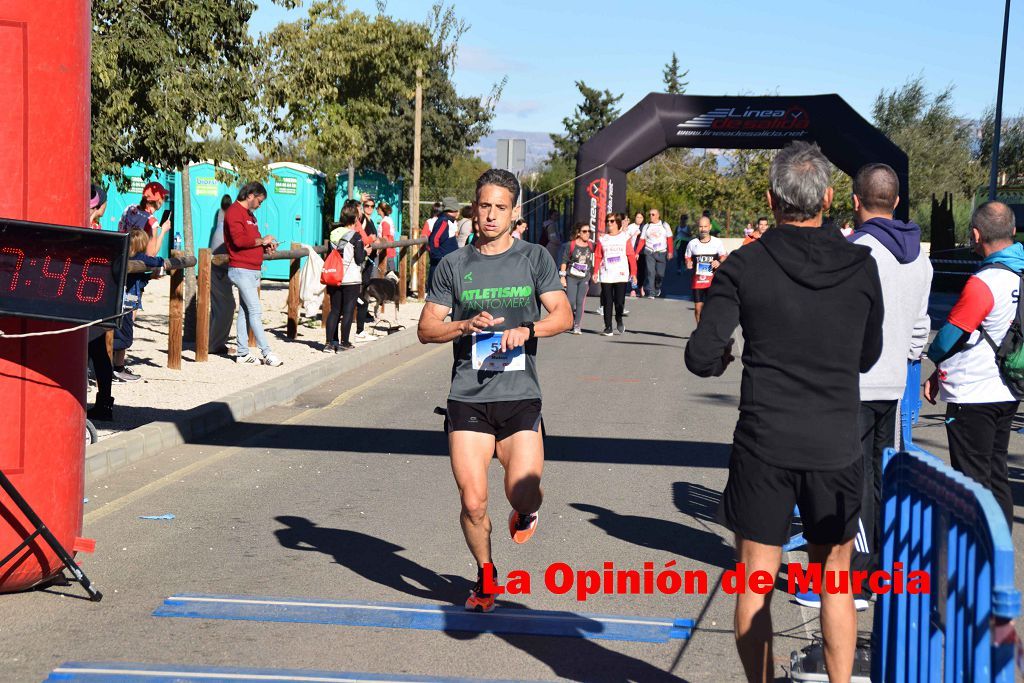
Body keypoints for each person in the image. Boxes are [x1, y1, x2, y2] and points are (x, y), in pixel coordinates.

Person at [685, 141, 884, 683]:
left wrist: (727, 353)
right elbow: (868, 354)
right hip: (835, 442)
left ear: (772, 199)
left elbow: (701, 357)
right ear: (827, 196)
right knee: (835, 580)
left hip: (765, 443)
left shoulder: (743, 266)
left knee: (754, 580)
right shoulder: (862, 267)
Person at [417, 168, 572, 613]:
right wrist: (463, 324)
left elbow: (561, 315)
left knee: (523, 490)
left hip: (521, 393)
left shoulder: (534, 258)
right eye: (484, 206)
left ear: (514, 211)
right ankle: (485, 576)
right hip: (468, 395)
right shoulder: (454, 264)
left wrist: (528, 329)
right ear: (474, 207)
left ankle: (525, 512)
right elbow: (427, 328)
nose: (490, 215)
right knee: (472, 498)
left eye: (500, 207)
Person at [795, 163, 933, 612]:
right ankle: (869, 574)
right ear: (895, 202)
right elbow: (921, 328)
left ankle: (845, 581)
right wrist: (904, 357)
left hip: (851, 380)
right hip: (894, 380)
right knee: (874, 477)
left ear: (855, 202)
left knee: (841, 480)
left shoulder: (854, 252)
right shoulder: (921, 258)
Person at [925, 201, 1023, 530]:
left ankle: (977, 559)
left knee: (972, 482)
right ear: (1012, 232)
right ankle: (999, 554)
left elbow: (950, 335)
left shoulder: (984, 282)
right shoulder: (1020, 274)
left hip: (973, 394)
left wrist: (932, 362)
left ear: (976, 235)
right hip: (1009, 389)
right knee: (996, 476)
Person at [224, 181, 283, 367]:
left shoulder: (251, 216)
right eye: (259, 200)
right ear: (250, 195)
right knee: (256, 311)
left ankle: (242, 353)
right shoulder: (234, 212)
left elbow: (252, 241)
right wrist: (262, 240)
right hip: (240, 269)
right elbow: (239, 241)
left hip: (252, 269)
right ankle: (267, 352)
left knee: (245, 311)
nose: (260, 205)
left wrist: (266, 247)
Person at [112, 229, 166, 383]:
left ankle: (114, 366)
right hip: (126, 304)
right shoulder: (140, 257)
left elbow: (139, 278)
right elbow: (155, 261)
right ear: (142, 244)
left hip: (121, 302)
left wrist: (150, 275)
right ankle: (118, 369)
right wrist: (162, 262)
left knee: (118, 333)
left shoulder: (122, 256)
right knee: (125, 337)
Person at [86, 184, 115, 420]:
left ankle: (103, 403)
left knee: (94, 352)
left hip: (85, 298)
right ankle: (104, 402)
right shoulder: (95, 228)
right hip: (91, 300)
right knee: (97, 352)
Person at [325, 201, 368, 352]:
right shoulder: (356, 236)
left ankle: (330, 343)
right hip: (351, 278)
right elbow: (359, 258)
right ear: (355, 219)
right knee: (348, 310)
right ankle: (345, 343)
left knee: (335, 310)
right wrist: (365, 252)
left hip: (335, 276)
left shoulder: (333, 234)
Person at [593, 213, 638, 336]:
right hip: (606, 273)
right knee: (607, 301)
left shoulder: (624, 237)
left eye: (612, 221)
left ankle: (619, 318)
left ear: (618, 223)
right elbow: (598, 256)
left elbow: (631, 256)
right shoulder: (602, 239)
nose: (609, 223)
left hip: (621, 274)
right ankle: (608, 327)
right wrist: (595, 272)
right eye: (608, 221)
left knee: (619, 302)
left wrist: (634, 273)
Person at [684, 217, 728, 322]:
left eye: (705, 226)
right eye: (701, 226)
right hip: (698, 281)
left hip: (713, 281)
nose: (703, 229)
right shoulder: (692, 243)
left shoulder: (717, 242)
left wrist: (719, 262)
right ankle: (700, 333)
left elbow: (724, 256)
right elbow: (687, 257)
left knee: (712, 309)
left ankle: (712, 332)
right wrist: (688, 263)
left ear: (710, 227)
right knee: (698, 309)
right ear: (698, 227)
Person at [208, 194, 236, 355]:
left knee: (222, 308)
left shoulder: (221, 221)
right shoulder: (225, 226)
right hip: (218, 272)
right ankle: (214, 344)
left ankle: (216, 342)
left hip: (220, 271)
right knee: (225, 307)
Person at [559, 222, 596, 335]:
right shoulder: (572, 245)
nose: (587, 234)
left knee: (580, 301)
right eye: (584, 231)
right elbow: (564, 261)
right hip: (572, 277)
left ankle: (577, 325)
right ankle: (571, 319)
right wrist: (562, 277)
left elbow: (599, 255)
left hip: (584, 278)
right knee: (570, 302)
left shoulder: (591, 246)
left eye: (589, 231)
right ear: (579, 233)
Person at [118, 181, 172, 257]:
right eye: (163, 198)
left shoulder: (130, 208)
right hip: (135, 264)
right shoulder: (152, 222)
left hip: (120, 255)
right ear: (158, 201)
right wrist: (163, 231)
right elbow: (151, 254)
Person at [426, 197, 460, 291]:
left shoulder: (448, 221)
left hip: (446, 263)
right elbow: (434, 239)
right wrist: (439, 257)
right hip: (440, 264)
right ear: (453, 210)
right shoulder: (444, 222)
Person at [639, 208, 674, 298]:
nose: (651, 216)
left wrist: (670, 251)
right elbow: (642, 240)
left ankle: (657, 287)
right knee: (650, 272)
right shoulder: (646, 226)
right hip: (649, 251)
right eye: (650, 214)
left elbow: (669, 239)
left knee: (660, 274)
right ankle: (651, 292)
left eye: (653, 214)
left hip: (661, 252)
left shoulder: (664, 225)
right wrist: (637, 252)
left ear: (658, 215)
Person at [375, 200, 396, 275]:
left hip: (387, 253)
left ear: (381, 210)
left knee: (389, 274)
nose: (376, 209)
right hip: (389, 251)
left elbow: (385, 238)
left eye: (377, 208)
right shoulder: (388, 220)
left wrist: (379, 251)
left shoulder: (385, 222)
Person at [628, 211, 646, 296]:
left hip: (642, 252)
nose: (639, 219)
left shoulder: (645, 227)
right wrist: (634, 235)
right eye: (637, 217)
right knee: (633, 270)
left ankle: (641, 286)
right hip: (632, 251)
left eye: (641, 217)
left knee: (641, 271)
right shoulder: (631, 227)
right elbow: (626, 238)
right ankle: (633, 289)